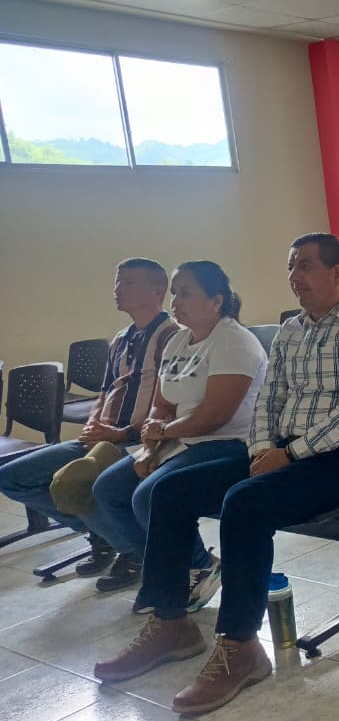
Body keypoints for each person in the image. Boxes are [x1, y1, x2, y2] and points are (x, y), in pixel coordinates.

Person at [95, 234, 339, 714]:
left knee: (245, 502)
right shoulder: (292, 330)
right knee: (168, 490)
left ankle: (241, 646)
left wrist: (289, 454)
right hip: (281, 451)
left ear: (338, 273)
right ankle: (171, 622)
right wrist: (261, 449)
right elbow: (267, 401)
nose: (295, 276)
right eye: (291, 266)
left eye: (306, 266)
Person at [90, 263, 266, 678]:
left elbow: (216, 414)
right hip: (180, 441)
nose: (175, 301)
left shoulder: (234, 341)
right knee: (108, 490)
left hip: (230, 444)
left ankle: (170, 612)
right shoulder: (178, 342)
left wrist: (163, 433)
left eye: (185, 292)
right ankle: (183, 571)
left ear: (216, 301)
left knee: (150, 495)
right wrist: (150, 445)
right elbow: (162, 405)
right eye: (175, 293)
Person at [0, 258, 177, 585]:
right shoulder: (121, 338)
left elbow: (173, 402)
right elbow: (105, 391)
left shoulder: (172, 336)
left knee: (76, 482)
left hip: (137, 441)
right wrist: (93, 425)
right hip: (102, 438)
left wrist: (120, 433)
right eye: (117, 281)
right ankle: (103, 534)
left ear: (157, 291)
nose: (117, 289)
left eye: (128, 282)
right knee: (12, 477)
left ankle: (134, 552)